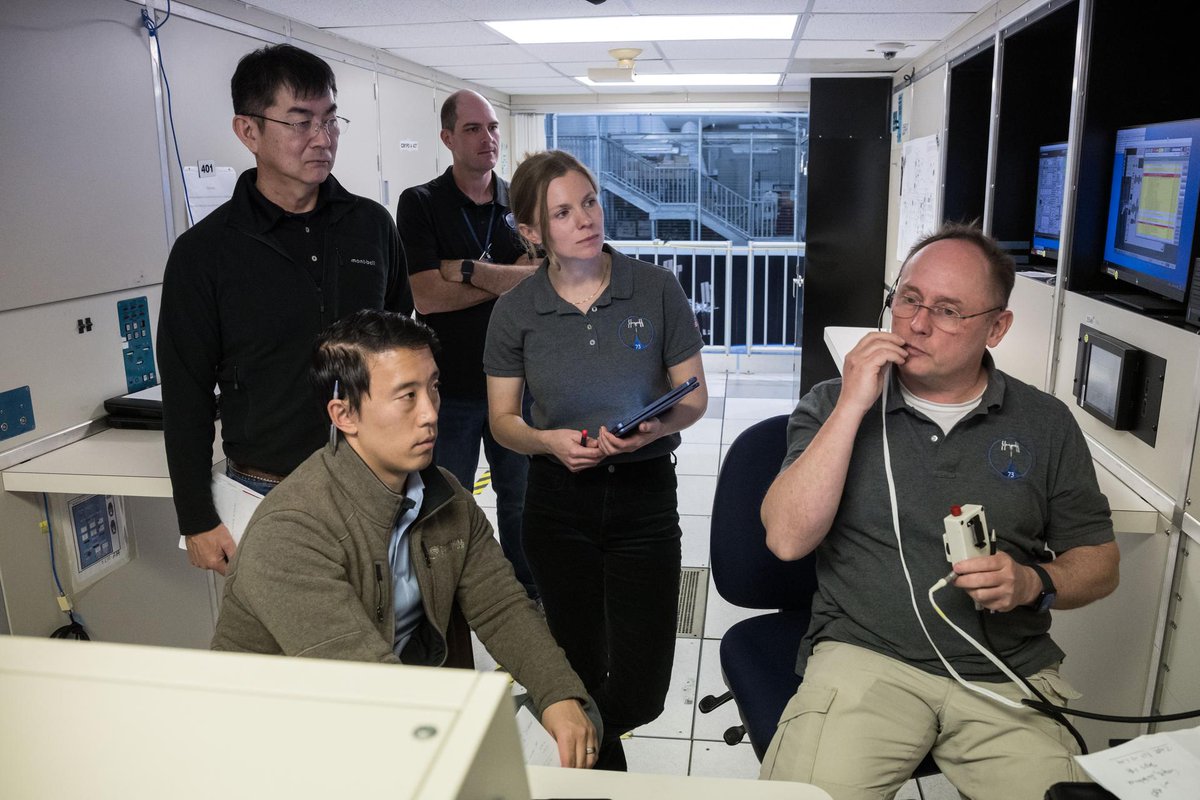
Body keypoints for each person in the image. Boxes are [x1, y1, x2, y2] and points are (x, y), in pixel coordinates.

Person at [759, 222, 1120, 799]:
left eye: (949, 310)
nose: (917, 324)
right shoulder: (832, 403)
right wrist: (853, 403)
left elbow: (1100, 563)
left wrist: (1033, 581)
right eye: (908, 299)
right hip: (866, 657)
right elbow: (785, 539)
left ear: (997, 328)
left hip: (1004, 670)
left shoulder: (1046, 424)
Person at [211, 309, 598, 768]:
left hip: (379, 715)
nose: (431, 413)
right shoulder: (292, 531)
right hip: (279, 743)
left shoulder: (444, 496)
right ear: (344, 414)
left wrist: (558, 694)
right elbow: (362, 679)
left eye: (433, 387)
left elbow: (501, 606)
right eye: (406, 396)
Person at [483, 150, 709, 770]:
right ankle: (591, 779)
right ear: (532, 233)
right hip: (558, 502)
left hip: (644, 497)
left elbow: (694, 396)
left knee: (641, 689)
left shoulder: (656, 288)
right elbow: (504, 423)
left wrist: (652, 427)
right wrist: (549, 440)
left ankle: (550, 740)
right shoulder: (516, 311)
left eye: (589, 201)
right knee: (577, 670)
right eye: (562, 212)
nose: (585, 218)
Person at [158, 43, 411, 575]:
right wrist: (196, 517)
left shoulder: (372, 225)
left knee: (386, 637)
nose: (322, 139)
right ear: (248, 131)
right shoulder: (206, 252)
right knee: (282, 649)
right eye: (299, 122)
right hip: (266, 489)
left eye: (330, 120)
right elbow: (186, 393)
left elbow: (402, 349)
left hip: (376, 477)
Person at [396, 90, 538, 597]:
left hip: (516, 385)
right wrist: (507, 278)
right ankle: (448, 597)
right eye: (474, 129)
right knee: (447, 499)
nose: (489, 138)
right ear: (447, 138)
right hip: (448, 387)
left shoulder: (518, 202)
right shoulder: (421, 203)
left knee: (520, 499)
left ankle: (527, 593)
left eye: (494, 127)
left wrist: (468, 270)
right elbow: (427, 296)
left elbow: (538, 279)